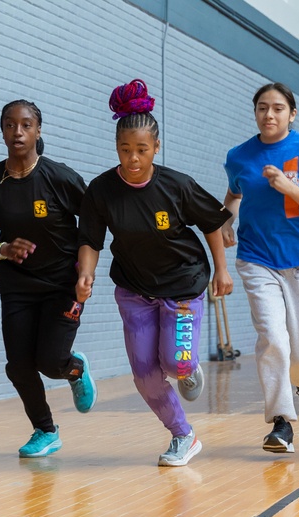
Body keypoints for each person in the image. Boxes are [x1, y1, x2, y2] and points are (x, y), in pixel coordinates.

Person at [76, 79, 232, 467]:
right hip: (134, 291)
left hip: (182, 286)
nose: (133, 158)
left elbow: (212, 223)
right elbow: (91, 241)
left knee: (176, 364)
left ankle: (187, 364)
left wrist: (221, 270)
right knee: (146, 375)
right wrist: (85, 274)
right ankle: (183, 435)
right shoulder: (101, 190)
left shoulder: (176, 186)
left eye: (141, 150)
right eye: (125, 149)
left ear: (156, 148)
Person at [0, 100, 96, 459]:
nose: (18, 132)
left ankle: (74, 368)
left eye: (26, 125)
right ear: (2, 130)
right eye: (10, 125)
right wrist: (3, 249)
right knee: (18, 365)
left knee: (50, 361)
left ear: (38, 130)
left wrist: (86, 273)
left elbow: (92, 226)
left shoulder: (59, 177)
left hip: (63, 283)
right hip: (17, 286)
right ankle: (45, 430)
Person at [222, 82, 299, 454]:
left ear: (292, 113)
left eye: (277, 108)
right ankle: (281, 422)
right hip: (256, 259)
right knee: (272, 338)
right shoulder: (239, 155)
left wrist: (289, 189)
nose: (268, 115)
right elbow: (236, 191)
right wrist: (227, 219)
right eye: (261, 108)